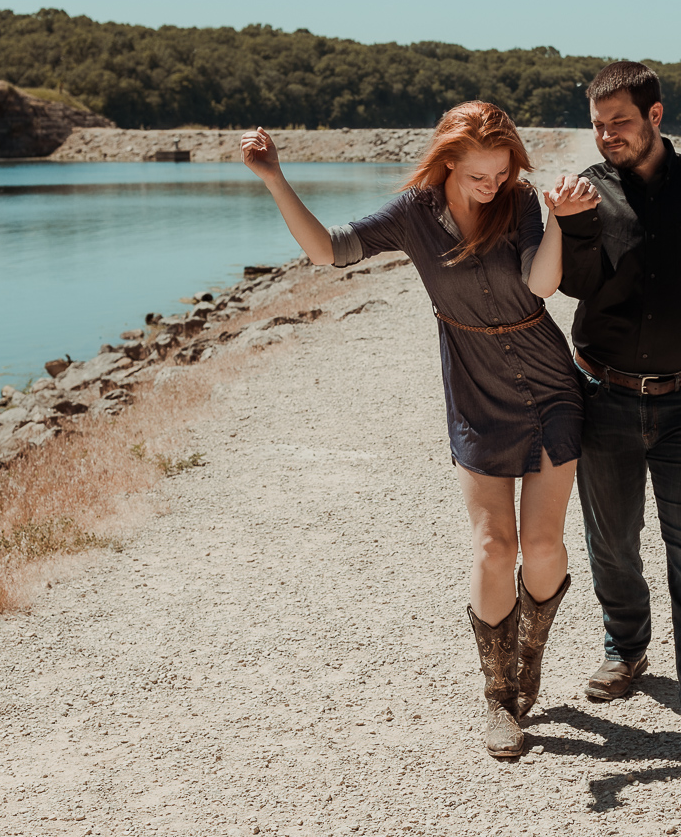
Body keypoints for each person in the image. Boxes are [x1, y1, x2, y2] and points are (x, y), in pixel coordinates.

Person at [240, 102, 600, 758]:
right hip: (476, 392)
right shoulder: (412, 214)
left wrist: (564, 226)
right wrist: (273, 177)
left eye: (500, 173)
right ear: (447, 164)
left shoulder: (519, 203)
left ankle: (529, 651)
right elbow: (327, 252)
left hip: (550, 391)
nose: (490, 187)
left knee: (543, 549)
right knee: (495, 547)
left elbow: (540, 285)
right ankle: (499, 697)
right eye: (478, 177)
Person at [548, 62, 681, 757]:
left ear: (656, 116)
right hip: (603, 395)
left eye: (621, 121)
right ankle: (627, 647)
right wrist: (572, 226)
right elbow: (572, 288)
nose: (608, 135)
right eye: (598, 124)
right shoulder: (589, 193)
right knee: (611, 543)